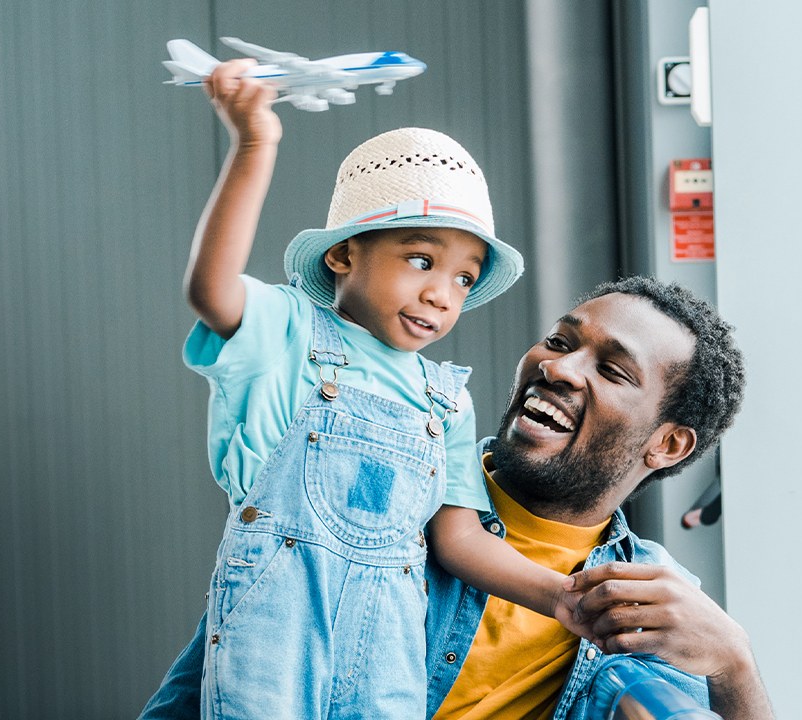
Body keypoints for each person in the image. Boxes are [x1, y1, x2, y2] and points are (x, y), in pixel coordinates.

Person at [152, 59, 587, 717]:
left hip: (389, 655)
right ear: (343, 254)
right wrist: (252, 143)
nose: (442, 294)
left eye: (465, 278)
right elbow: (210, 289)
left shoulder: (445, 398)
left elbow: (458, 539)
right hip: (276, 638)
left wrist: (562, 597)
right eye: (421, 260)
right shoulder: (289, 332)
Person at [147, 276, 777, 719]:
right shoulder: (378, 479)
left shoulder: (651, 599)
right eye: (560, 342)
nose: (557, 368)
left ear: (666, 444)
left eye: (612, 370)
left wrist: (735, 669)